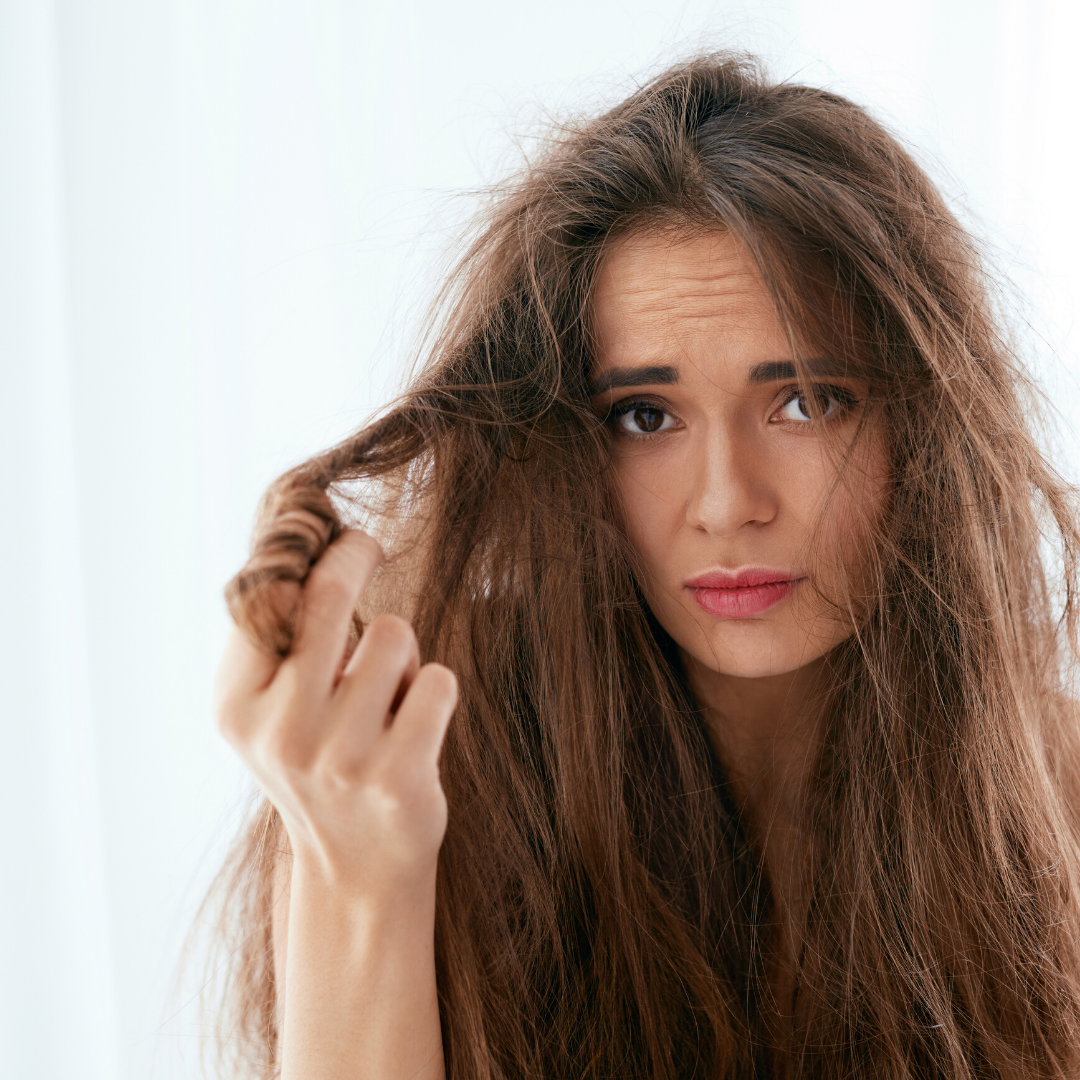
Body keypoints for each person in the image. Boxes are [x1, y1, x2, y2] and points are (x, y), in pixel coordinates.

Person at [202, 53, 1080, 1079]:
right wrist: (358, 870)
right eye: (644, 416)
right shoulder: (416, 790)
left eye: (803, 401)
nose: (725, 504)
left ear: (925, 427)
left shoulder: (1051, 796)